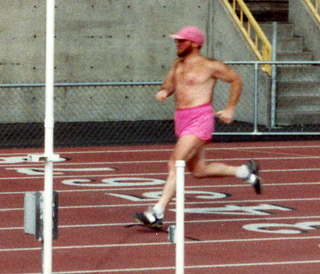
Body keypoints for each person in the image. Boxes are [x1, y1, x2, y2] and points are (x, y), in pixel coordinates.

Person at [134, 26, 261, 228]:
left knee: (175, 163)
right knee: (199, 171)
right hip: (182, 119)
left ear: (195, 43)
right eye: (176, 40)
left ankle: (157, 212)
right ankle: (244, 172)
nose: (177, 44)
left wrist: (230, 108)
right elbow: (168, 85)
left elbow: (236, 79)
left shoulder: (210, 65)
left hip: (200, 118)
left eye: (181, 41)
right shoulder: (178, 64)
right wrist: (164, 92)